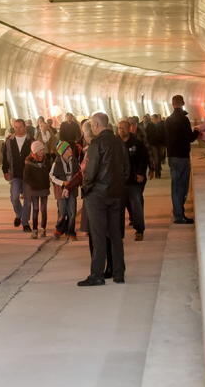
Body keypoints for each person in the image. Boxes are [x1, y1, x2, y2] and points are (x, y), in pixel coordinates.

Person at [78, 112, 128, 287]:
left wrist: (85, 188)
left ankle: (97, 275)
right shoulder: (119, 142)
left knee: (98, 236)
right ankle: (119, 273)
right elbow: (126, 169)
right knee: (115, 235)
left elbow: (91, 171)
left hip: (98, 195)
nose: (92, 128)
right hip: (116, 194)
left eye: (92, 125)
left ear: (97, 125)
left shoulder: (96, 144)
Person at [165, 95, 199, 224]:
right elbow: (190, 138)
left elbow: (165, 138)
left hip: (172, 156)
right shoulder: (184, 120)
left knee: (175, 186)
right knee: (182, 186)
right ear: (183, 103)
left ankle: (177, 212)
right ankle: (179, 215)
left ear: (172, 104)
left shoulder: (168, 120)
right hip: (182, 157)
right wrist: (196, 131)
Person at [118, 120, 149, 241]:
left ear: (129, 128)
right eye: (119, 128)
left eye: (123, 128)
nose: (121, 130)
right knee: (119, 208)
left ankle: (139, 230)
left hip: (134, 180)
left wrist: (141, 173)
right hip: (120, 181)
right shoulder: (115, 143)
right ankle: (119, 234)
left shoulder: (137, 143)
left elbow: (144, 159)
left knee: (136, 205)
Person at [2, 119, 34, 230]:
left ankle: (25, 223)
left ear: (25, 127)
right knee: (14, 197)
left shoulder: (31, 141)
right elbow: (5, 157)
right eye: (15, 127)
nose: (18, 129)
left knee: (28, 201)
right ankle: (19, 214)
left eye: (20, 127)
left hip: (29, 175)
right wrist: (5, 170)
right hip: (14, 174)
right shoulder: (9, 141)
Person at [50, 141, 82, 240]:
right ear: (62, 152)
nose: (70, 150)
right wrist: (62, 183)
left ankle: (71, 232)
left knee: (72, 212)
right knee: (63, 212)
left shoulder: (74, 161)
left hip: (72, 189)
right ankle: (59, 230)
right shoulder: (57, 163)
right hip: (61, 190)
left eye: (70, 148)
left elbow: (79, 174)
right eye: (67, 149)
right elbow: (51, 176)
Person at [23, 140, 52, 238]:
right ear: (35, 151)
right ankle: (34, 229)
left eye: (43, 150)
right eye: (40, 150)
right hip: (34, 190)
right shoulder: (29, 162)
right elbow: (26, 177)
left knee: (43, 209)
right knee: (35, 209)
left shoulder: (46, 160)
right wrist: (33, 185)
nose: (42, 152)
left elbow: (51, 171)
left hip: (44, 188)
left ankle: (43, 229)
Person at [146, 114, 166, 179]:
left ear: (157, 119)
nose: (153, 120)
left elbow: (165, 134)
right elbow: (147, 135)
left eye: (154, 119)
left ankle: (158, 169)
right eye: (152, 119)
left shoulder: (161, 125)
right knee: (156, 159)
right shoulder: (149, 126)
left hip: (161, 144)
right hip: (153, 144)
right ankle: (157, 173)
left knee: (159, 157)